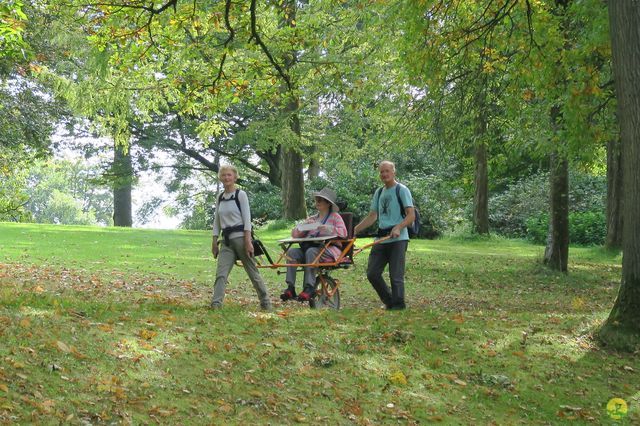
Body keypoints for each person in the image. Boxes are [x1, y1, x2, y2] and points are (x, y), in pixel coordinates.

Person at [353, 161, 415, 310]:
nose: (384, 174)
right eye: (382, 172)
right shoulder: (379, 192)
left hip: (398, 239)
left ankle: (398, 305)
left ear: (394, 172)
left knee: (396, 276)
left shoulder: (402, 190)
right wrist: (354, 229)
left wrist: (398, 227)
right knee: (372, 273)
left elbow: (411, 215)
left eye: (387, 171)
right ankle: (389, 301)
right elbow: (373, 216)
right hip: (381, 239)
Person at [211, 164, 271, 310]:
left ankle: (266, 303)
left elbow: (247, 219)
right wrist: (214, 242)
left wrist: (248, 241)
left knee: (252, 272)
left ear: (235, 177)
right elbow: (217, 221)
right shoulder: (220, 197)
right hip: (226, 242)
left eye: (229, 175)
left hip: (241, 239)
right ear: (220, 177)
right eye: (223, 175)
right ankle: (216, 304)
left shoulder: (240, 195)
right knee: (221, 273)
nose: (226, 178)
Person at [281, 187, 348, 302]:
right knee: (291, 252)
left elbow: (344, 233)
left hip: (329, 250)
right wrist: (304, 227)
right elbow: (294, 234)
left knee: (311, 252)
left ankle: (309, 287)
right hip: (310, 248)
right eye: (316, 200)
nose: (316, 202)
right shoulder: (312, 218)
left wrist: (328, 228)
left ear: (328, 203)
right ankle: (290, 288)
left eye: (320, 200)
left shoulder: (335, 217)